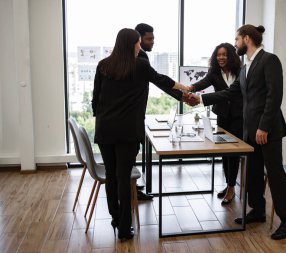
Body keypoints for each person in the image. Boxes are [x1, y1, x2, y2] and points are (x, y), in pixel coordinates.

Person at [185, 24, 286, 240]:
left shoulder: (269, 60)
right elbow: (231, 92)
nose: (235, 44)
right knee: (253, 173)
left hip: (268, 130)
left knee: (275, 175)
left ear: (246, 39)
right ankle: (257, 211)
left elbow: (275, 96)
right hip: (250, 131)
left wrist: (263, 126)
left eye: (236, 40)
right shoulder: (246, 68)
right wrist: (200, 99)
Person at [92, 28, 189, 241]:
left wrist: (102, 117)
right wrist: (185, 89)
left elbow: (95, 98)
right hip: (128, 131)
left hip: (106, 129)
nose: (139, 47)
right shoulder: (140, 65)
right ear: (132, 44)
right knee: (124, 177)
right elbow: (161, 80)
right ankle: (125, 229)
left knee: (111, 175)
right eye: (138, 43)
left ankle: (116, 219)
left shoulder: (103, 65)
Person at [190, 42, 243, 205]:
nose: (221, 57)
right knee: (224, 153)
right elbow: (203, 83)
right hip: (222, 115)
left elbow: (235, 93)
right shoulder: (214, 71)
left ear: (231, 56)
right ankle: (229, 185)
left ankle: (232, 188)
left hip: (238, 116)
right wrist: (189, 88)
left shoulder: (241, 71)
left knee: (233, 153)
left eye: (224, 55)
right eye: (218, 55)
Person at [134, 23, 182, 201]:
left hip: (132, 114)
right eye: (149, 38)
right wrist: (183, 93)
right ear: (138, 39)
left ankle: (132, 187)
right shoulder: (140, 58)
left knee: (131, 152)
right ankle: (132, 190)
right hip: (133, 114)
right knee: (131, 152)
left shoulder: (134, 56)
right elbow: (158, 80)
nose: (153, 41)